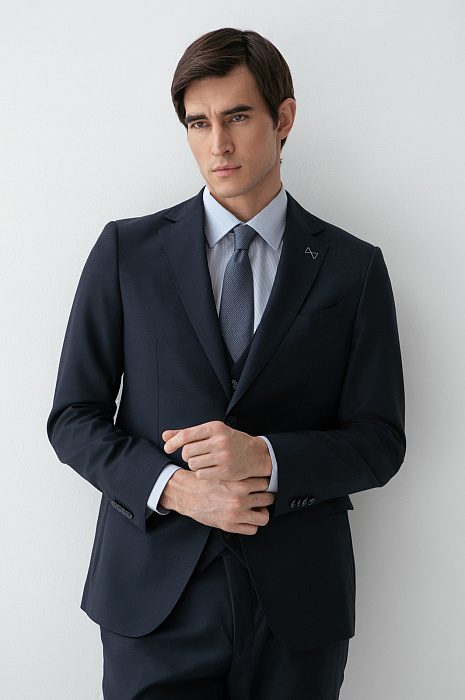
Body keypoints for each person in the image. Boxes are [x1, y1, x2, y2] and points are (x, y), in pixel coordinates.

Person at [48, 27, 405, 700]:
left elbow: (380, 441)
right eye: (198, 122)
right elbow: (72, 417)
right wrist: (173, 488)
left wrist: (265, 456)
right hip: (153, 604)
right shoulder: (126, 252)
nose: (218, 144)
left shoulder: (353, 268)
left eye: (237, 117)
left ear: (283, 118)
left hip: (297, 608)